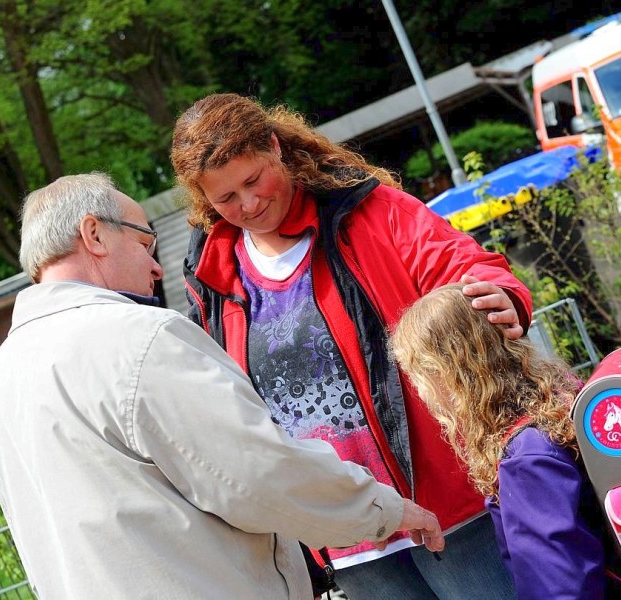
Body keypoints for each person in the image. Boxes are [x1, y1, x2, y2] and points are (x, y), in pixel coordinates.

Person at [0, 172, 445, 600]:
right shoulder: (138, 337)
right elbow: (257, 474)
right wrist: (384, 509)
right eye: (145, 245)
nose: (157, 268)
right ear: (94, 234)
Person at [170, 92, 532, 599]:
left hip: (448, 505)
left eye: (253, 181)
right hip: (345, 536)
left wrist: (503, 297)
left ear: (275, 147)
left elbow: (462, 265)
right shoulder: (211, 274)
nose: (247, 206)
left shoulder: (366, 208)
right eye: (225, 199)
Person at [390, 284, 621, 599]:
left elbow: (560, 586)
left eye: (419, 375)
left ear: (449, 372)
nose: (421, 392)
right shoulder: (566, 400)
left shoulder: (526, 460)